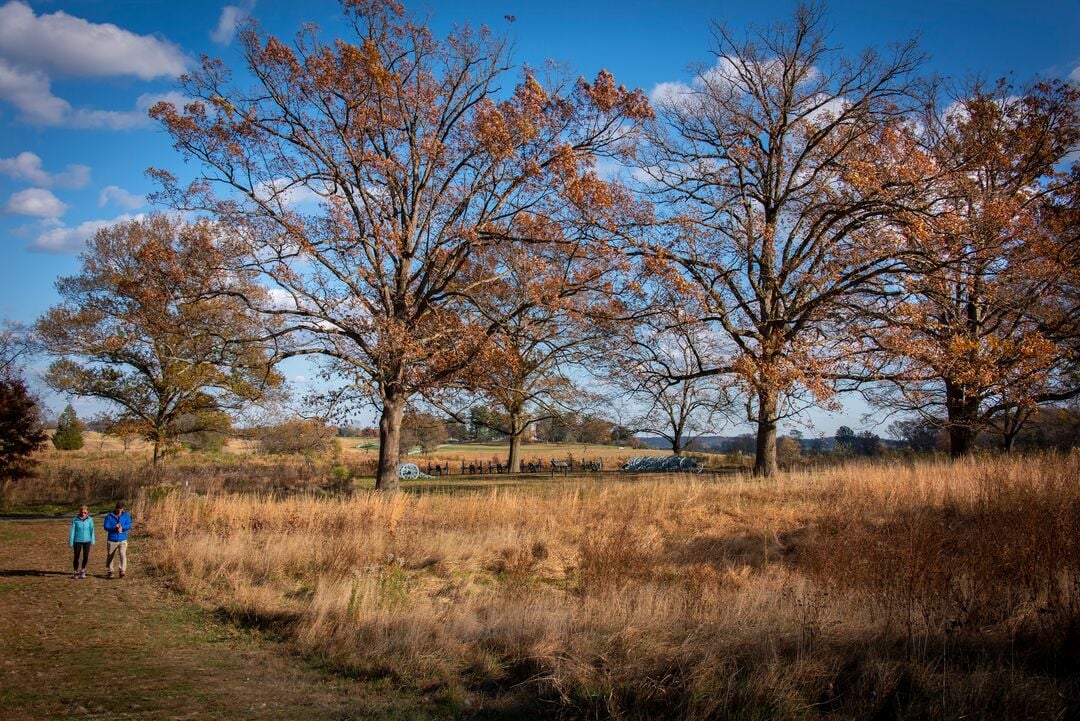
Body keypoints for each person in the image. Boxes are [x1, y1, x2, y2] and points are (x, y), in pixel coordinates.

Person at [102, 502, 132, 579]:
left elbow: (129, 525)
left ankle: (122, 570)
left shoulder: (126, 516)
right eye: (118, 509)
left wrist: (123, 527)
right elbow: (106, 526)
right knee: (110, 556)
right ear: (115, 508)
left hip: (123, 539)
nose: (119, 511)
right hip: (112, 539)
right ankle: (110, 571)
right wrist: (114, 527)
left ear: (123, 509)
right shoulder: (109, 516)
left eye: (121, 509)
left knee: (122, 554)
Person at [68, 505, 94, 579]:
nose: (83, 514)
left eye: (85, 512)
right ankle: (75, 571)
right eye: (82, 512)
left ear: (87, 512)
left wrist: (92, 540)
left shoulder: (90, 520)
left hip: (87, 540)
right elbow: (72, 531)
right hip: (77, 540)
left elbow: (92, 530)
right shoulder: (75, 520)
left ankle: (82, 570)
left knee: (86, 556)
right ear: (79, 512)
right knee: (76, 556)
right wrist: (71, 541)